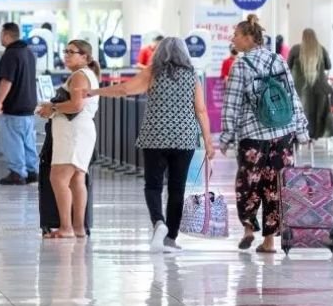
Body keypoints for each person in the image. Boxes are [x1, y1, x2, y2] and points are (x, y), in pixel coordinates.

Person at [85, 37, 215, 252]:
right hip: (184, 139)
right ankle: (171, 239)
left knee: (153, 185)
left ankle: (158, 222)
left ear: (159, 52)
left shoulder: (152, 72)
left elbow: (124, 90)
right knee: (177, 188)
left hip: (155, 136)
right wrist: (209, 143)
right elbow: (201, 110)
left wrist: (94, 92)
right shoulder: (192, 75)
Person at [221, 14, 309, 254]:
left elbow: (232, 104)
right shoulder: (278, 59)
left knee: (248, 183)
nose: (233, 39)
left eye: (236, 35)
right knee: (276, 186)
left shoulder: (241, 64)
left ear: (248, 38)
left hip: (253, 135)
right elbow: (292, 97)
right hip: (282, 133)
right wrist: (301, 131)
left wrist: (227, 136)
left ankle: (249, 228)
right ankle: (269, 242)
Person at [36, 39, 100, 239]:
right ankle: (78, 227)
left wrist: (52, 108)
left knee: (58, 177)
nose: (66, 55)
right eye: (65, 51)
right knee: (76, 179)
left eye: (71, 52)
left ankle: (66, 227)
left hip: (74, 132)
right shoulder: (84, 75)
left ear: (85, 57)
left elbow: (76, 105)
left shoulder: (80, 76)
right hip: (78, 131)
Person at [0, 23, 40, 186]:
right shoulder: (28, 53)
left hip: (13, 106)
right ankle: (32, 171)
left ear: (6, 35)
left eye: (1, 34)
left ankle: (17, 173)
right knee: (28, 141)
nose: (0, 38)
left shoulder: (11, 54)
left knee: (13, 140)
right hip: (28, 107)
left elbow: (7, 80)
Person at [289, 28, 333, 141]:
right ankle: (315, 136)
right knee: (318, 113)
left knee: (302, 112)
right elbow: (329, 66)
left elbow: (287, 66)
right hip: (319, 88)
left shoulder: (295, 49)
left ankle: (301, 136)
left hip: (300, 89)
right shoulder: (321, 50)